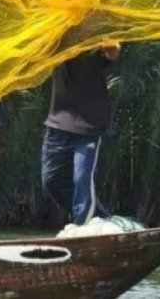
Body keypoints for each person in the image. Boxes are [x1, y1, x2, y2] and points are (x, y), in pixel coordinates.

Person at [42, 41, 120, 226]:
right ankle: (104, 221)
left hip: (88, 125)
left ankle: (82, 227)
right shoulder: (57, 37)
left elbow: (113, 52)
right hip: (58, 123)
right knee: (52, 182)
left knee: (81, 180)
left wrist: (109, 47)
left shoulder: (97, 38)